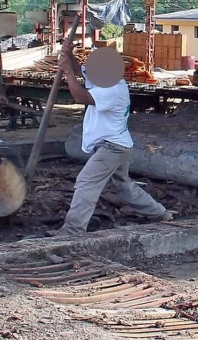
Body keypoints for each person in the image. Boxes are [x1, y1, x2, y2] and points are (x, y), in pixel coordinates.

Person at [46, 41, 174, 237]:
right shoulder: (103, 79)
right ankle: (159, 214)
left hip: (112, 147)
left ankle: (72, 229)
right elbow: (80, 71)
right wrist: (69, 54)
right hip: (117, 144)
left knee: (86, 181)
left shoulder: (113, 89)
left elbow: (81, 97)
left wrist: (68, 74)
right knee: (124, 185)